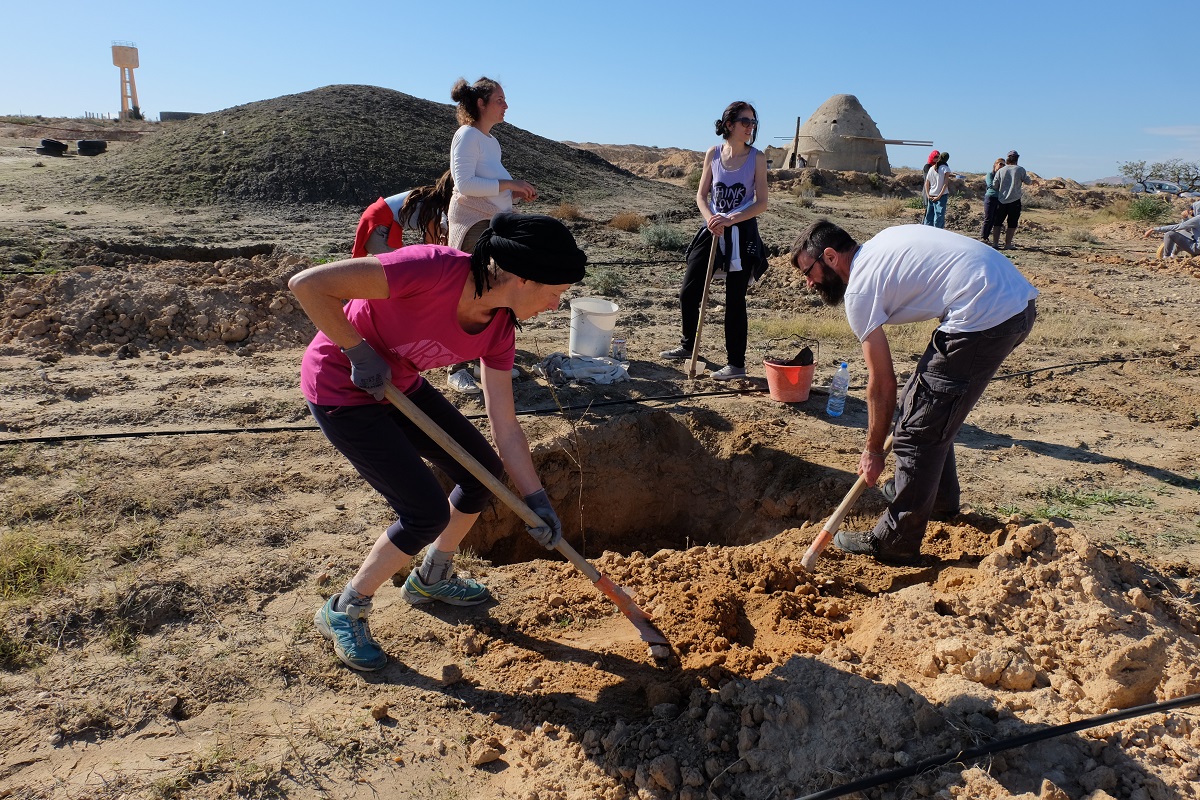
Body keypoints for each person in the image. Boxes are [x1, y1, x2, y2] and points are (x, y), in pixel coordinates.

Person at [290, 212, 587, 671]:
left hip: (400, 387)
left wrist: (536, 498)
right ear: (524, 277)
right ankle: (345, 608)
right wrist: (357, 350)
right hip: (340, 386)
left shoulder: (500, 329)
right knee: (423, 512)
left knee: (480, 474)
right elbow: (308, 285)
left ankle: (431, 576)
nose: (554, 306)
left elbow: (505, 425)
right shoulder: (430, 270)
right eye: (555, 293)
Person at [789, 221, 1038, 564]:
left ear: (829, 257)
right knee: (921, 408)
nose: (809, 283)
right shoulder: (881, 243)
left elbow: (882, 382)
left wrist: (874, 451)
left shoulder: (860, 290)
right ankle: (937, 499)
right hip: (1014, 303)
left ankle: (894, 541)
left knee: (919, 430)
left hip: (986, 316)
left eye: (809, 271)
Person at [659, 101, 768, 381]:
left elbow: (762, 203)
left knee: (735, 300)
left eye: (753, 122)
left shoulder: (757, 158)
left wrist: (731, 219)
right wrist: (710, 218)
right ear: (729, 124)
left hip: (741, 233)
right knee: (689, 292)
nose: (750, 127)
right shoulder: (713, 154)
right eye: (745, 121)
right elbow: (701, 195)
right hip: (712, 229)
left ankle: (736, 365)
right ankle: (687, 346)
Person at [446, 77, 538, 394]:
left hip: (493, 223)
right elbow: (466, 185)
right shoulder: (467, 135)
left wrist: (514, 193)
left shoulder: (491, 141)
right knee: (468, 290)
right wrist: (511, 186)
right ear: (481, 104)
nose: (506, 105)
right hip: (473, 224)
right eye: (499, 99)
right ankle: (456, 366)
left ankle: (484, 358)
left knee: (494, 289)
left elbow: (493, 186)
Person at [351, 170, 454, 258]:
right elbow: (431, 242)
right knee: (398, 263)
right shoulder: (433, 205)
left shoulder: (430, 195)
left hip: (377, 218)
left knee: (403, 261)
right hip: (378, 224)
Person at [992, 150, 1033, 249]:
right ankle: (1008, 244)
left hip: (1001, 200)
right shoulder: (1020, 170)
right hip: (1015, 200)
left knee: (997, 223)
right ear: (1017, 159)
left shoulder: (1001, 170)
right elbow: (1028, 182)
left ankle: (995, 244)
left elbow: (994, 185)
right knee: (1012, 223)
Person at [980, 157, 1006, 244]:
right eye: (1000, 164)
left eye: (1003, 164)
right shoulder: (990, 174)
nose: (1002, 166)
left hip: (998, 198)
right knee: (988, 218)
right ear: (995, 164)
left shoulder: (1003, 176)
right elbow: (991, 185)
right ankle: (983, 236)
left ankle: (987, 237)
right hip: (990, 197)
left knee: (994, 219)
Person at [923, 151, 950, 228]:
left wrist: (928, 195)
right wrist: (939, 196)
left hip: (931, 194)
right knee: (939, 217)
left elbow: (927, 183)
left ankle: (926, 233)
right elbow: (945, 184)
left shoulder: (931, 168)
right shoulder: (946, 169)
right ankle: (938, 235)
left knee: (929, 216)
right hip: (941, 196)